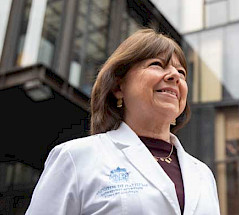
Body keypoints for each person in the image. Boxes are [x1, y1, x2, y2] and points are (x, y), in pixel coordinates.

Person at [25, 29, 220, 215]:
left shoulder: (203, 174)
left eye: (181, 72)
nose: (175, 76)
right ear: (118, 87)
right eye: (157, 65)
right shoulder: (75, 158)